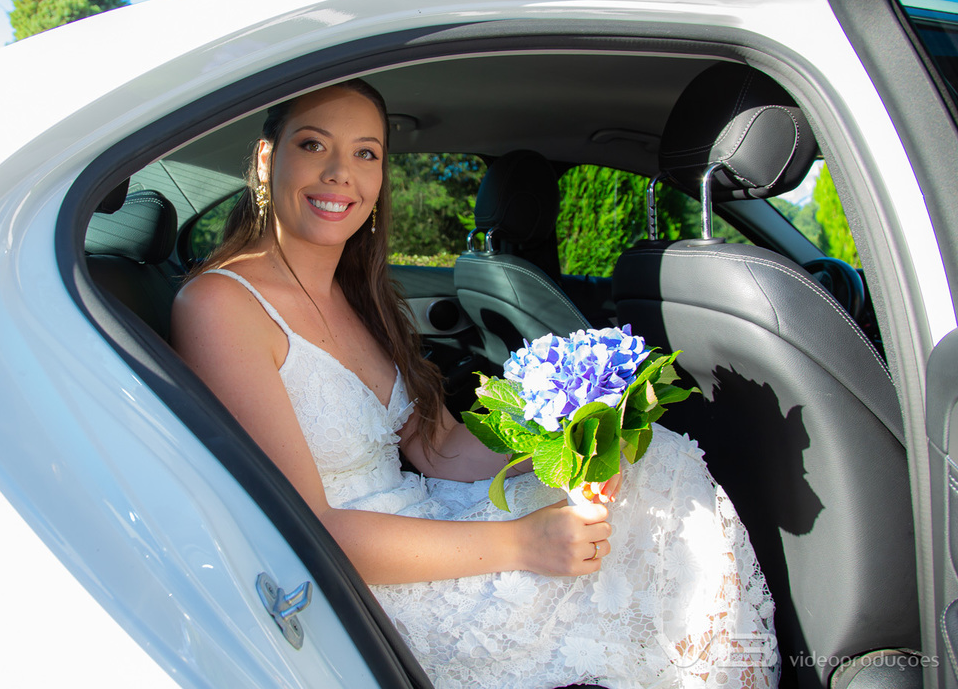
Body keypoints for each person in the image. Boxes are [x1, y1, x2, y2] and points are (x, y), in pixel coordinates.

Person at [171, 79, 778, 689]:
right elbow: (306, 533)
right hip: (363, 588)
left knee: (653, 467)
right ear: (266, 158)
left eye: (366, 153)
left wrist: (569, 447)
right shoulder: (221, 305)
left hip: (423, 521)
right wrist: (521, 544)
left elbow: (437, 449)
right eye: (313, 144)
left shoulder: (357, 298)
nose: (340, 173)